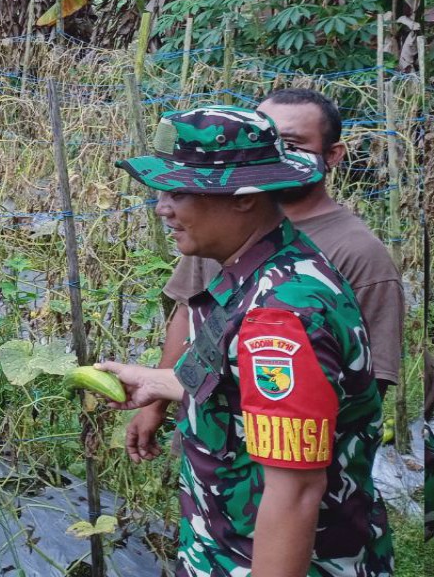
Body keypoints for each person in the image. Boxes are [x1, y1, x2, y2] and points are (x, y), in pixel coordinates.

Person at [98, 105, 392, 576]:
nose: (162, 208)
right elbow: (246, 388)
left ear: (244, 197)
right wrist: (158, 382)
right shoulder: (261, 268)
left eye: (180, 191)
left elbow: (294, 493)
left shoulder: (280, 317)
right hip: (224, 545)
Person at [126, 89, 405, 463]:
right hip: (216, 459)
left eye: (290, 143)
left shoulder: (344, 260)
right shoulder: (220, 233)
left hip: (275, 468)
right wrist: (157, 397)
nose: (163, 209)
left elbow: (364, 386)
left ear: (332, 155)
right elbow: (188, 314)